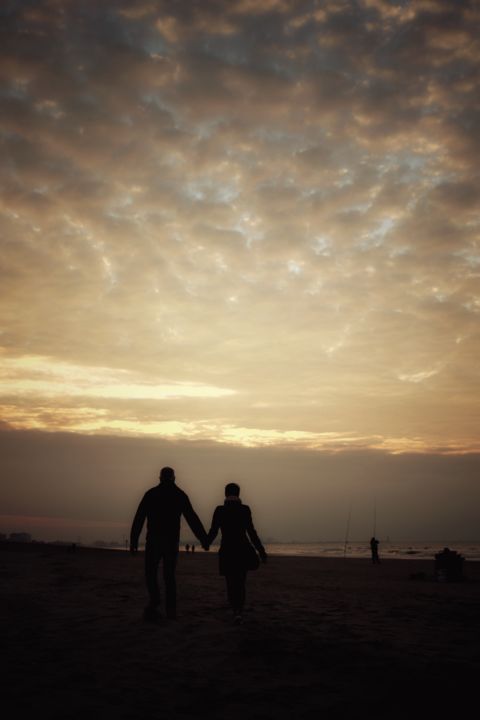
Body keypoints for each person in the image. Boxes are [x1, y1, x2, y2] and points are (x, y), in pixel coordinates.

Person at [130, 466, 208, 621]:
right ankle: (170, 611)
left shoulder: (151, 494)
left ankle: (155, 600)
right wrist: (203, 539)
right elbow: (192, 518)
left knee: (151, 573)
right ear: (174, 478)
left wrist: (134, 540)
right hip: (170, 541)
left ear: (160, 478)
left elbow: (139, 518)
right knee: (169, 576)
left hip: (153, 540)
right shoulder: (179, 495)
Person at [207, 482, 267, 624]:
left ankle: (235, 609)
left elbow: (214, 531)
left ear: (225, 494)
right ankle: (238, 611)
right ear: (239, 494)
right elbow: (251, 532)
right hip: (242, 549)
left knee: (230, 582)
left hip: (227, 550)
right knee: (240, 581)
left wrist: (206, 542)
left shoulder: (219, 510)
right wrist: (261, 551)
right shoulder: (245, 509)